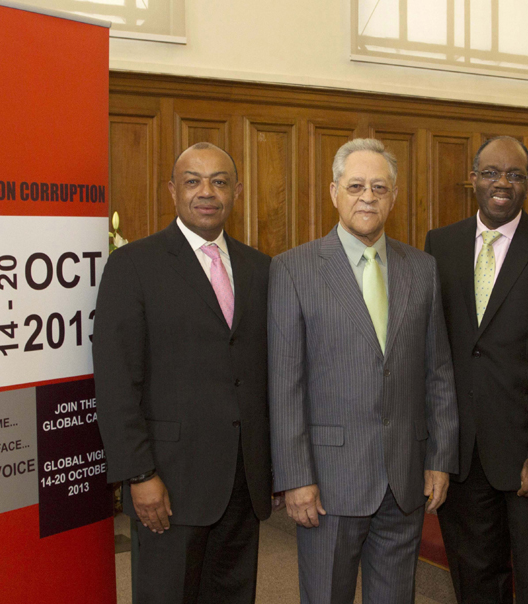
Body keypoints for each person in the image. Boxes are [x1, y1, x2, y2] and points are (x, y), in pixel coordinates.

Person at [269, 138, 459, 603]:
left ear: (394, 196)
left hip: (403, 476)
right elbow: (285, 384)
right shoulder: (294, 269)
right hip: (329, 482)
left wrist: (439, 457)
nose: (367, 197)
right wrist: (296, 477)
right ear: (334, 191)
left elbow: (437, 371)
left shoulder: (423, 269)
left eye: (379, 187)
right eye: (356, 186)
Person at [93, 142, 273, 604]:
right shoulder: (133, 266)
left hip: (242, 479)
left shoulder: (261, 269)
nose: (206, 192)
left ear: (236, 191)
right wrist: (139, 474)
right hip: (168, 482)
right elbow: (116, 381)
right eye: (193, 181)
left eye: (219, 181)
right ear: (173, 191)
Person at [424, 136, 528, 603]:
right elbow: (435, 351)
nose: (503, 183)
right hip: (463, 456)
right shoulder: (440, 244)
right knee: (475, 580)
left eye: (515, 175)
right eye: (492, 173)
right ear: (473, 179)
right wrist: (436, 447)